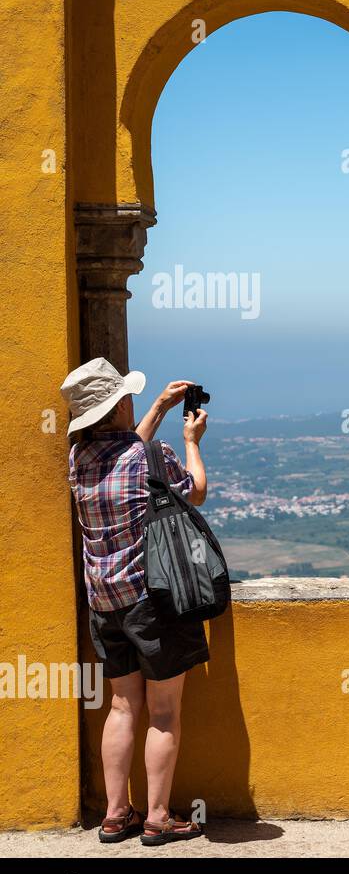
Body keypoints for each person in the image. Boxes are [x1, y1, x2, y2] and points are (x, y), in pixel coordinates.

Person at [61, 357, 210, 846]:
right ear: (120, 403)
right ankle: (158, 817)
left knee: (122, 707)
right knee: (164, 712)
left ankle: (115, 813)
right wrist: (190, 443)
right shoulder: (152, 456)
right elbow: (197, 493)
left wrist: (160, 407)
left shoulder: (77, 460)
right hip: (152, 602)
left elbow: (126, 449)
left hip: (103, 604)